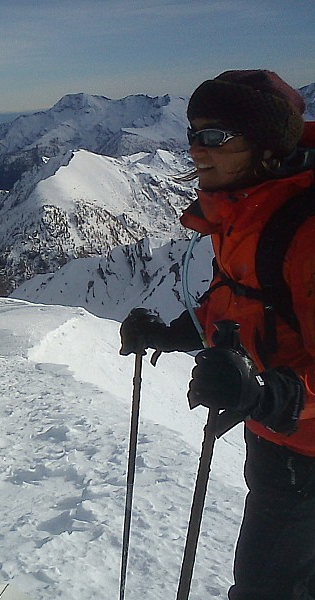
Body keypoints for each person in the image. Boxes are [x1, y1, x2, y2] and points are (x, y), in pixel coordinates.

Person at [119, 70, 315, 599]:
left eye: (214, 137)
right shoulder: (244, 209)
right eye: (192, 134)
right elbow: (243, 304)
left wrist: (269, 393)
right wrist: (173, 335)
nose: (195, 151)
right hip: (276, 432)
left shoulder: (305, 230)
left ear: (267, 146)